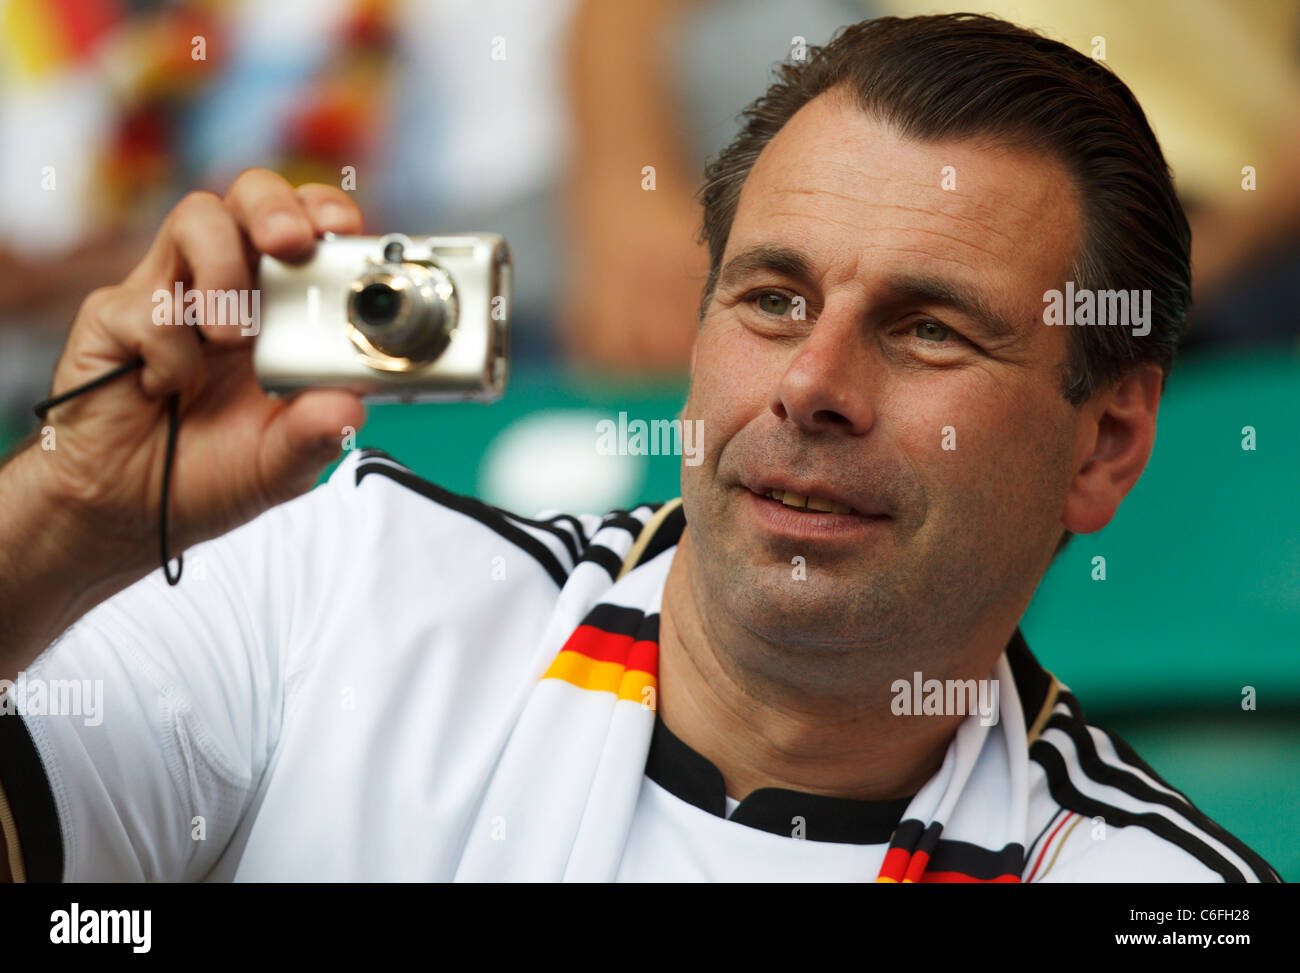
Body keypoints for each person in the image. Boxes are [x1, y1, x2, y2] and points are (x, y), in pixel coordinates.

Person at [0, 14, 1280, 882]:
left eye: (928, 328)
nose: (812, 386)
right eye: (772, 299)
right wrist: (65, 510)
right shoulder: (332, 578)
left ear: (1104, 444)